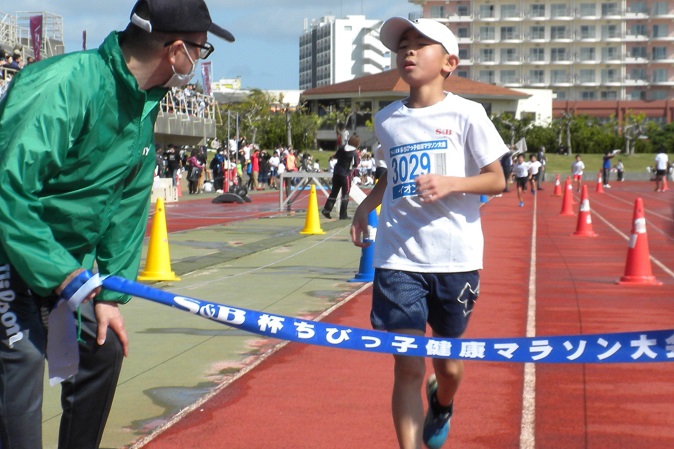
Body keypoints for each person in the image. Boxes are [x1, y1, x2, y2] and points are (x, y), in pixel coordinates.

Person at [0, 0, 234, 447]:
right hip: (10, 251)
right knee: (21, 367)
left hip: (63, 263)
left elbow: (126, 206)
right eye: (202, 51)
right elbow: (8, 189)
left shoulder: (143, 105)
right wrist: (63, 274)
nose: (199, 62)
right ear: (177, 50)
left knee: (103, 348)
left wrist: (109, 294)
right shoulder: (66, 85)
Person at [350, 17, 506, 449]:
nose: (409, 52)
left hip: (455, 259)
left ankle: (443, 402)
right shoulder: (387, 119)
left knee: (449, 366)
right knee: (407, 369)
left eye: (421, 44)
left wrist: (452, 182)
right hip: (398, 259)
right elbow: (390, 174)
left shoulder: (467, 114)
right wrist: (366, 205)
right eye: (403, 45)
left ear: (449, 62)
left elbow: (497, 180)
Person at [322, 134, 361, 220]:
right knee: (345, 194)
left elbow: (336, 156)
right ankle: (343, 214)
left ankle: (326, 210)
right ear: (357, 143)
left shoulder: (342, 147)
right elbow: (357, 164)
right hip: (346, 175)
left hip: (336, 172)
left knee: (334, 192)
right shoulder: (355, 152)